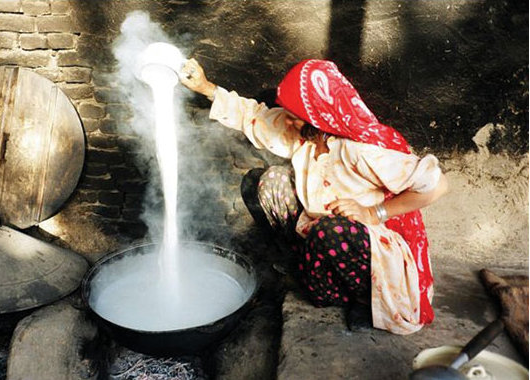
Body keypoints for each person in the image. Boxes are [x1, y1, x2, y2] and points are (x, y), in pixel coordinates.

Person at [179, 58, 448, 335]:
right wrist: (206, 87)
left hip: (360, 242)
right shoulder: (306, 135)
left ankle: (356, 297)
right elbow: (254, 116)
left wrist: (374, 212)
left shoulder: (360, 150)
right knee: (266, 182)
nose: (288, 120)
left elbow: (437, 186)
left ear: (319, 114)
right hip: (321, 230)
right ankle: (303, 265)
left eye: (295, 114)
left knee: (330, 233)